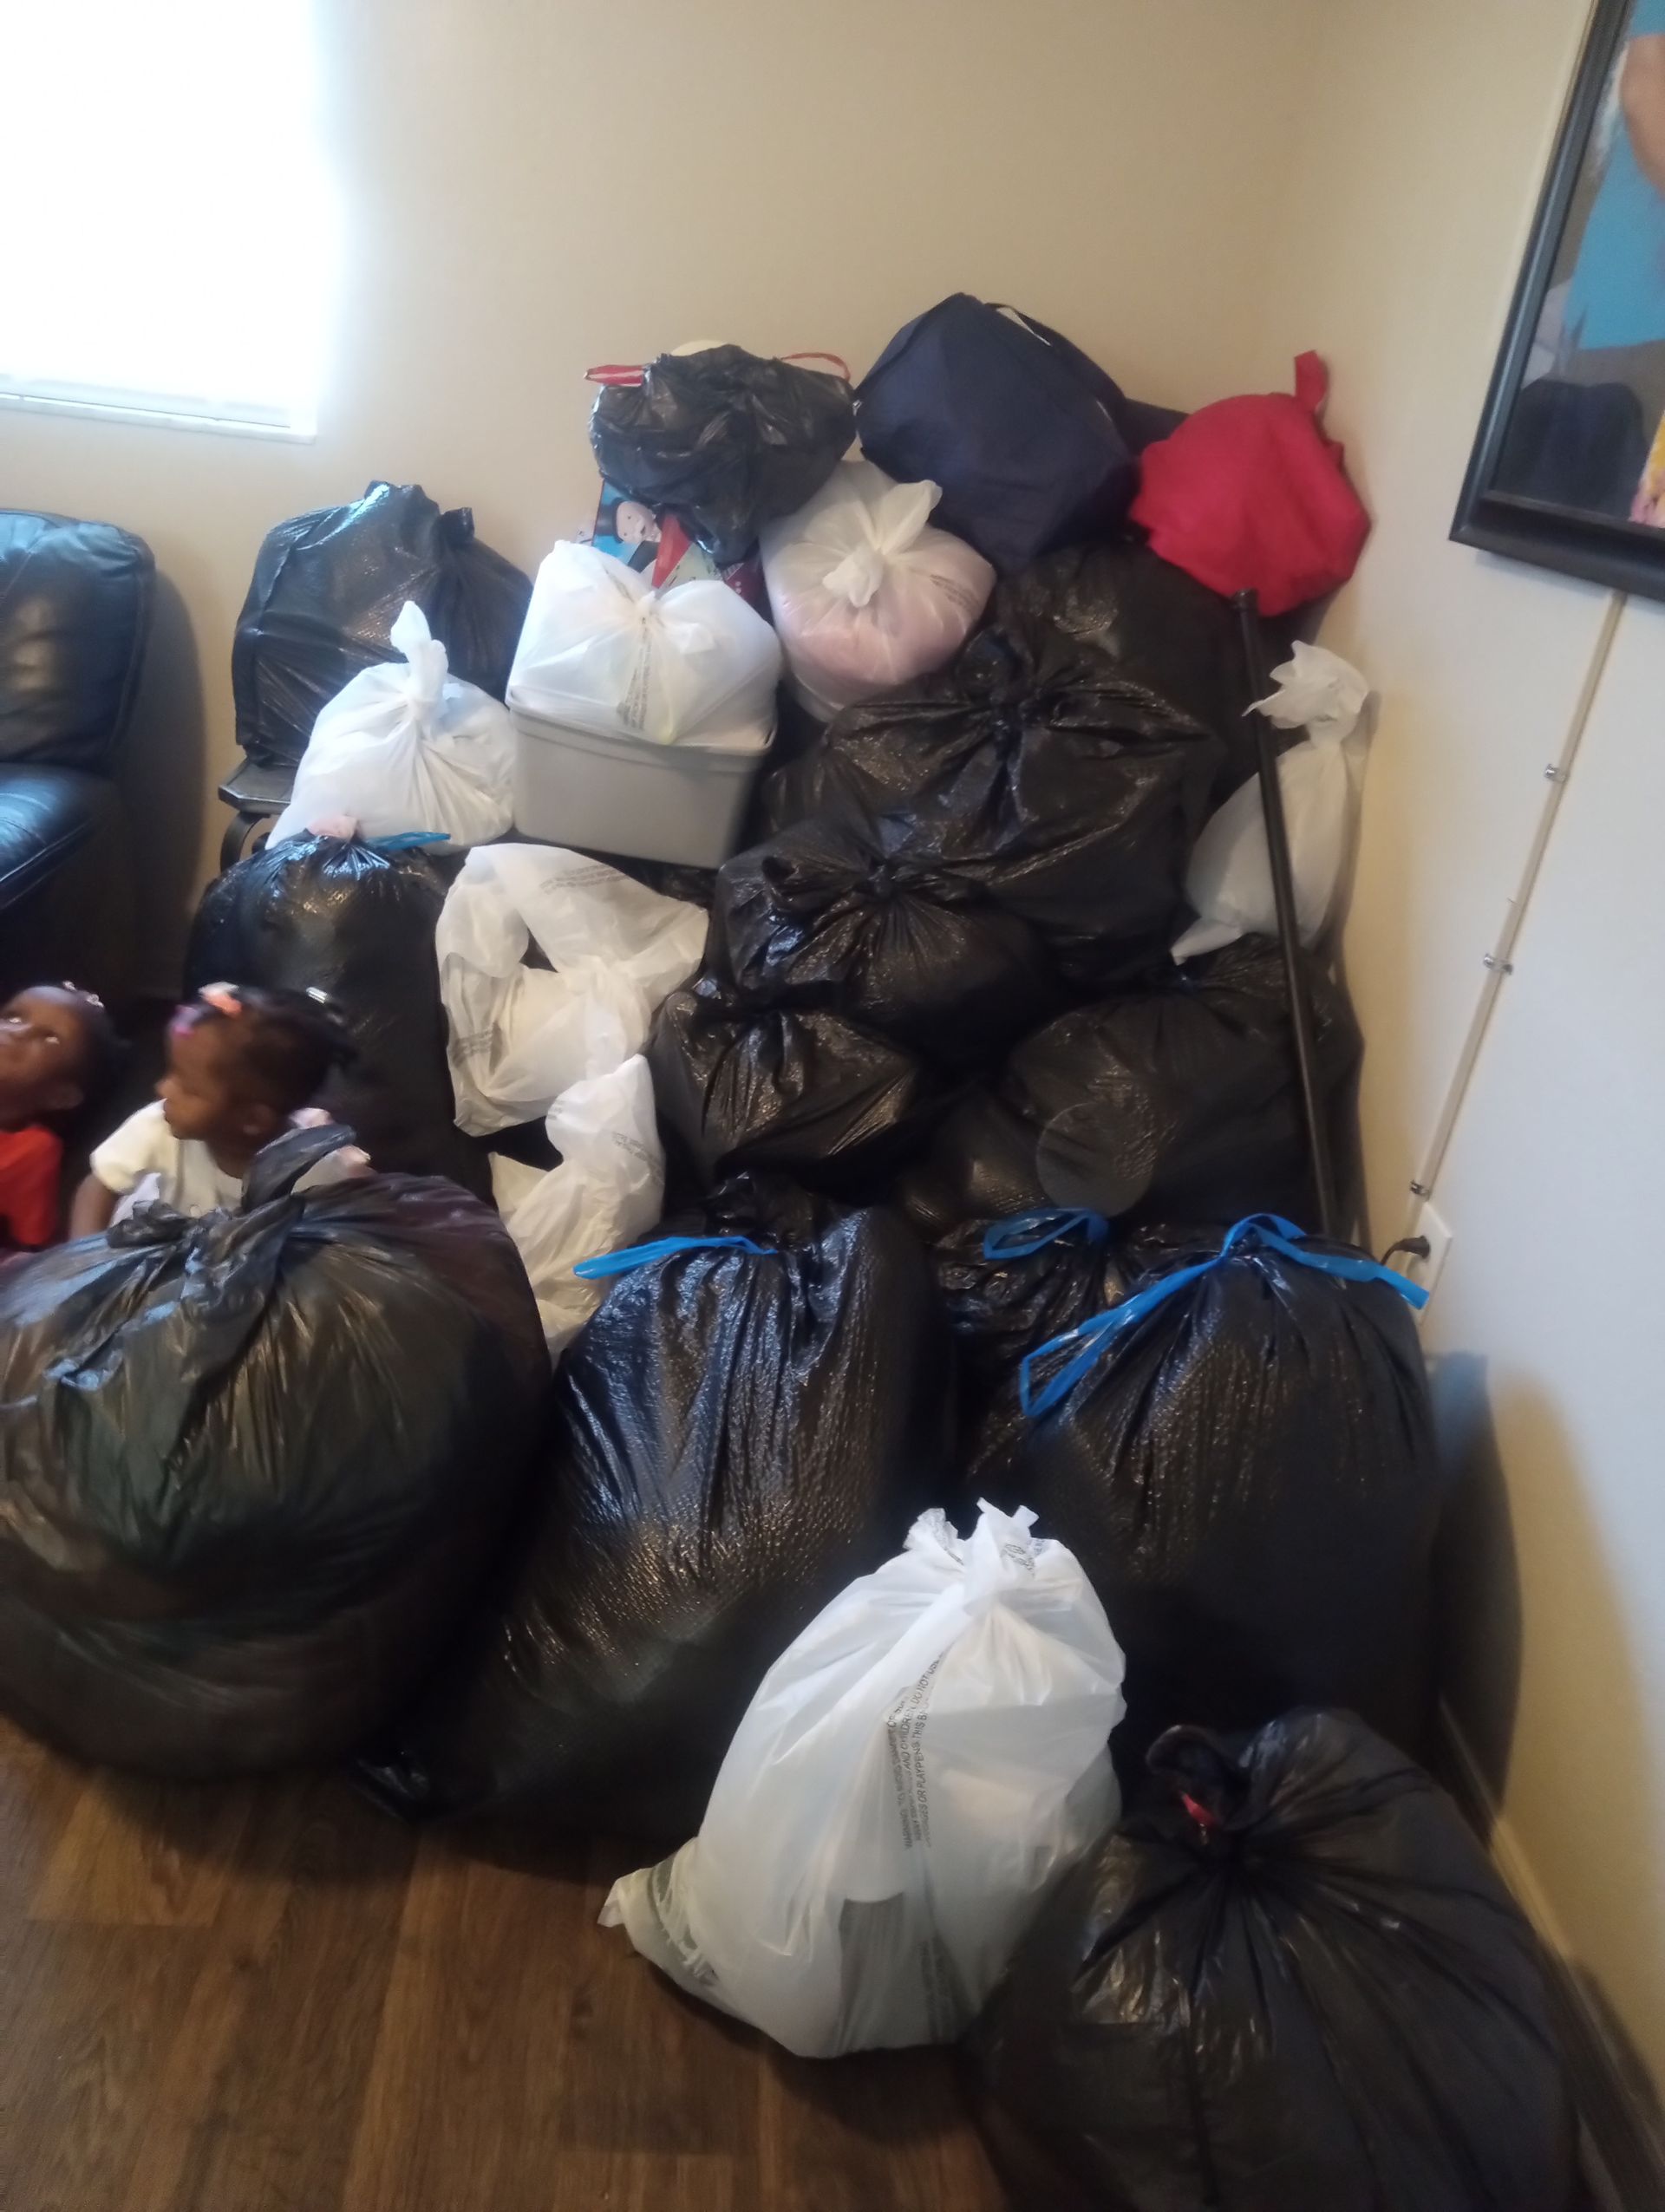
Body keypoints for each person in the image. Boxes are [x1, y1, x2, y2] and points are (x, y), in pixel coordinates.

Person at [69, 983, 369, 1237]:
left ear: (252, 1119)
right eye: (170, 1071)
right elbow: (98, 1187)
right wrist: (83, 1264)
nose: (162, 1089)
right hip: (150, 1244)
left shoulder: (313, 1175)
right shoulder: (161, 1124)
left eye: (188, 1088)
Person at [0, 983, 122, 1251]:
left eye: (50, 1039)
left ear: (61, 1096)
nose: (15, 1032)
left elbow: (30, 1247)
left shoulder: (33, 1151)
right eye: (13, 1017)